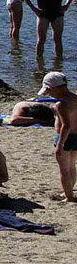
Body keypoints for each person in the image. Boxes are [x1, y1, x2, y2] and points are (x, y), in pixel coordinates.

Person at [47, 72, 77, 202]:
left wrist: (59, 144)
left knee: (64, 169)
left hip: (65, 137)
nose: (48, 93)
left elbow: (66, 125)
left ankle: (69, 197)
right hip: (76, 136)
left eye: (49, 90)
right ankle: (68, 191)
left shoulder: (60, 104)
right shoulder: (75, 98)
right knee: (71, 166)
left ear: (57, 87)